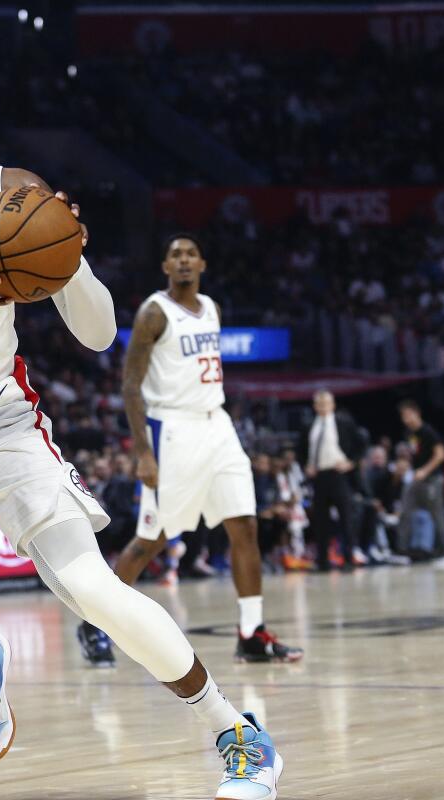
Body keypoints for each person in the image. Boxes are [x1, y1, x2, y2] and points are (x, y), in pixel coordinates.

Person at [0, 51, 283, 799]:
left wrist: (69, 258)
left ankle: (236, 733)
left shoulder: (13, 194)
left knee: (91, 587)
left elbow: (99, 336)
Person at [79, 235, 302, 667]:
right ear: (166, 266)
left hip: (217, 425)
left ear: (202, 262)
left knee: (245, 526)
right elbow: (130, 385)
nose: (183, 261)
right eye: (175, 255)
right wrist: (143, 452)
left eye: (190, 254)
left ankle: (251, 634)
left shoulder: (212, 308)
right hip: (173, 431)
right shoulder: (153, 313)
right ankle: (93, 623)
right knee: (151, 541)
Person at [302, 390, 368, 571]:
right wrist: (306, 466)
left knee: (346, 517)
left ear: (333, 405)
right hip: (319, 476)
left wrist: (351, 463)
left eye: (326, 403)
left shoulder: (343, 422)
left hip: (339, 474)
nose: (323, 406)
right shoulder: (309, 426)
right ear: (315, 406)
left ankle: (348, 557)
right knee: (320, 520)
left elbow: (361, 444)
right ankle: (322, 561)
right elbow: (301, 450)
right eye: (319, 403)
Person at [396, 399, 444, 564]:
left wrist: (425, 471)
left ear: (416, 413)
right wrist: (406, 465)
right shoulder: (409, 434)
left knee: (437, 514)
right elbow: (413, 455)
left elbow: (440, 455)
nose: (406, 419)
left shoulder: (427, 431)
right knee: (405, 511)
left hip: (432, 479)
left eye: (408, 415)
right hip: (415, 479)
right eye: (403, 416)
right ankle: (402, 551)